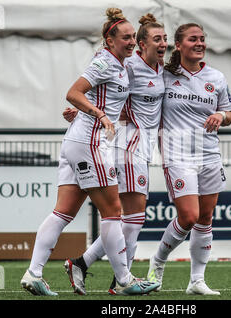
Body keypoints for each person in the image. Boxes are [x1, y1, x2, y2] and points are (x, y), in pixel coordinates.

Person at [20, 8, 159, 296]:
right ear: (109, 40)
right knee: (113, 212)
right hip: (90, 143)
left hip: (79, 141)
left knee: (63, 212)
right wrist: (98, 114)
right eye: (126, 38)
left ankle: (34, 273)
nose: (132, 42)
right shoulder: (106, 62)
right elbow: (74, 92)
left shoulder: (119, 63)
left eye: (134, 37)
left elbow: (91, 97)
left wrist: (87, 112)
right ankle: (124, 280)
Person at [63, 13, 167, 295]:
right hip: (127, 143)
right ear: (142, 44)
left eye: (165, 39)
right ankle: (123, 282)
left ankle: (83, 263)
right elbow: (103, 88)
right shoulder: (129, 64)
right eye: (156, 39)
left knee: (126, 218)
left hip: (142, 147)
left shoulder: (161, 69)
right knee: (131, 218)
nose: (163, 44)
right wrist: (83, 112)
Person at [146, 23, 231, 296]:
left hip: (209, 154)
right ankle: (157, 262)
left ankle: (197, 281)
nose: (199, 43)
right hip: (177, 155)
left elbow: (229, 114)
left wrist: (221, 116)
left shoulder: (216, 77)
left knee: (205, 217)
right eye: (193, 39)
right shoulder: (164, 75)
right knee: (189, 215)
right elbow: (135, 96)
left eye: (202, 39)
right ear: (179, 45)